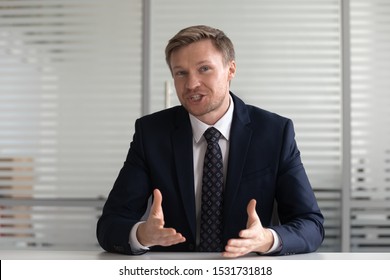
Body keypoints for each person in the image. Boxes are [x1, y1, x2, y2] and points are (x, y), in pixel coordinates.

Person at [96, 25, 324, 258]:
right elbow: (110, 225)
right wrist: (142, 235)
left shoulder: (274, 133)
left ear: (230, 69)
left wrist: (267, 239)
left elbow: (310, 224)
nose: (191, 84)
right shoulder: (152, 134)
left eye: (204, 69)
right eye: (180, 73)